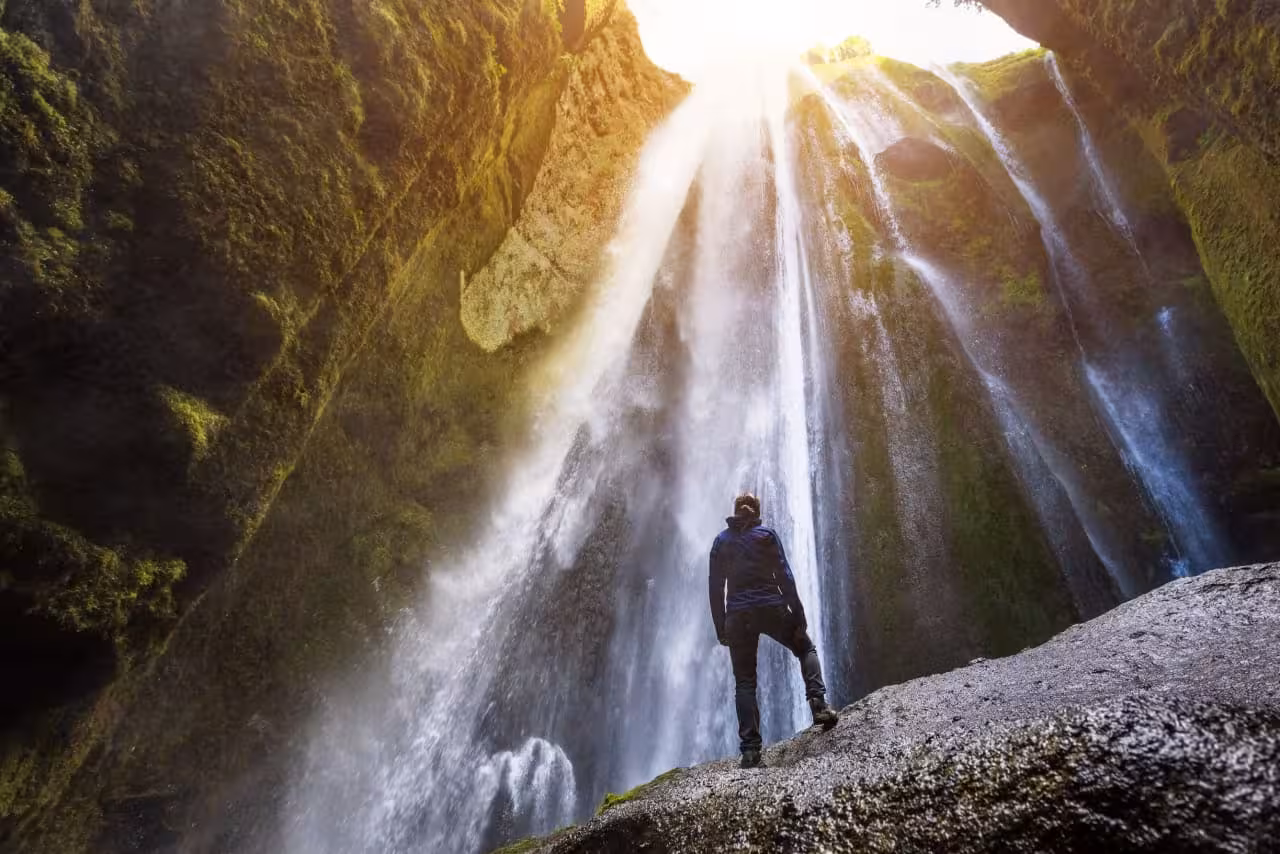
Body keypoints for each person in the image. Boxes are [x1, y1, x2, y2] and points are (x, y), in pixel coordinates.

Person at [709, 493, 839, 768]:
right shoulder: (766, 535)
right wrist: (798, 616)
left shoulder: (721, 542)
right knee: (805, 647)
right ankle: (819, 706)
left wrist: (721, 626)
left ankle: (750, 751)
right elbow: (784, 575)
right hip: (770, 607)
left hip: (737, 616)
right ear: (757, 513)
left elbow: (715, 588)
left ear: (734, 513)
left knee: (744, 682)